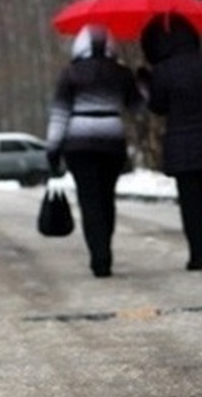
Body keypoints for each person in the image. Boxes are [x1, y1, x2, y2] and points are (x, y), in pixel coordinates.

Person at [46, 25, 143, 278]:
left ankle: (99, 256)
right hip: (112, 141)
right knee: (106, 198)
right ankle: (105, 248)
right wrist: (143, 83)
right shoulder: (121, 74)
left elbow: (59, 114)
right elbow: (138, 108)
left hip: (79, 143)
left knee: (89, 201)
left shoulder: (70, 74)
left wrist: (53, 148)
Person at [139, 14, 202, 271]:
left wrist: (147, 83)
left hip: (181, 143)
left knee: (190, 201)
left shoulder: (164, 70)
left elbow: (158, 107)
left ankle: (196, 253)